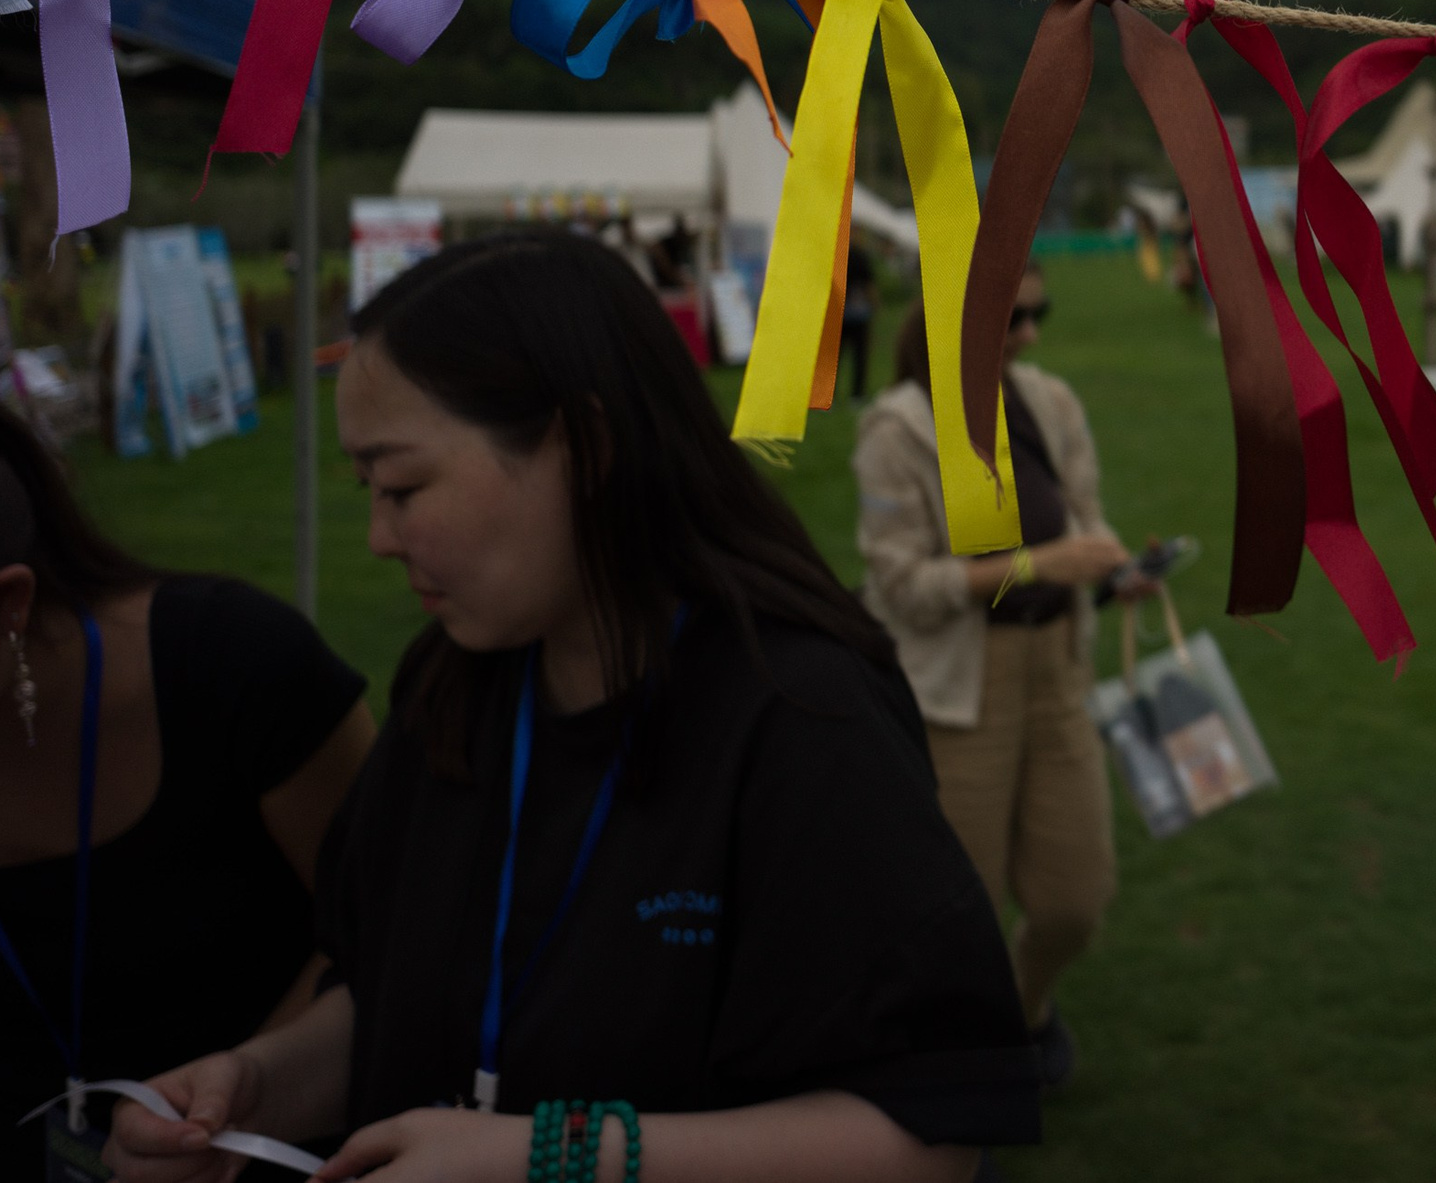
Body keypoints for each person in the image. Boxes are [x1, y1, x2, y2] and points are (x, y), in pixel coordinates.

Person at [110, 231, 1035, 1183]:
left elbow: (928, 1141)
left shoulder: (801, 718)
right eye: (365, 489)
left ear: (585, 447)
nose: (380, 536)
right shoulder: (451, 685)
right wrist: (254, 1086)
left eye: (403, 485)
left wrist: (548, 1156)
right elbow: (389, 992)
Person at [0, 395, 374, 1175]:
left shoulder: (233, 666)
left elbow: (394, 931)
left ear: (5, 606)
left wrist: (232, 1101)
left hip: (264, 1147)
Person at [854, 264, 1136, 1095]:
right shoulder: (897, 431)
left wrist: (1116, 566)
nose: (1031, 336)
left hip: (1056, 672)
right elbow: (902, 586)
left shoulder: (1049, 401)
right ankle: (966, 1070)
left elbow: (1085, 514)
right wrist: (1035, 564)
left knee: (1074, 898)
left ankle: (1024, 1010)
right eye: (1016, 318)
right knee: (957, 912)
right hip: (957, 691)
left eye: (1038, 313)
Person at [841, 239, 880, 401]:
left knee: (837, 357)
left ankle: (829, 396)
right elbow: (869, 284)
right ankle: (857, 395)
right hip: (859, 313)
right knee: (860, 357)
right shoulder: (861, 256)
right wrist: (875, 305)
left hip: (842, 314)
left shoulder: (839, 256)